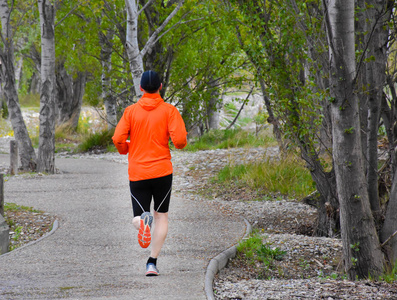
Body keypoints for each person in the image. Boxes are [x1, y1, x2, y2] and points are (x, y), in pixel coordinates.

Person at [112, 70, 187, 276]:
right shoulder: (169, 111)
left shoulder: (130, 111)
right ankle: (152, 262)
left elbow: (118, 138)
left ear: (141, 88)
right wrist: (174, 144)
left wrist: (126, 149)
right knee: (161, 216)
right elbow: (180, 141)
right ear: (161, 87)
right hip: (162, 171)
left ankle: (141, 223)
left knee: (138, 215)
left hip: (138, 172)